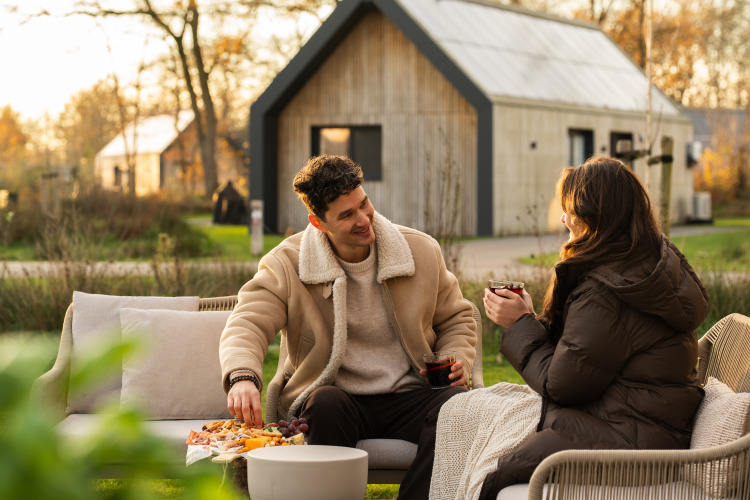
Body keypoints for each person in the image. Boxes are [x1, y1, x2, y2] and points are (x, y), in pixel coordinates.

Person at [219, 154, 477, 497]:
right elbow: (247, 321)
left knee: (461, 407)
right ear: (318, 223)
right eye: (346, 215)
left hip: (410, 393)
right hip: (338, 398)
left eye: (364, 204)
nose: (363, 219)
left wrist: (457, 355)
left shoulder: (420, 250)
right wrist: (242, 376)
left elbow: (458, 316)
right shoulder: (287, 263)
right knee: (325, 405)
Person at [477, 155, 708, 498]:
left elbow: (562, 386)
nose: (563, 218)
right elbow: (588, 355)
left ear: (591, 218)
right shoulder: (646, 263)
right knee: (470, 421)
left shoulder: (607, 292)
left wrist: (520, 325)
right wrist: (530, 320)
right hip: (643, 426)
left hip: (629, 441)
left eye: (569, 210)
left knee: (495, 475)